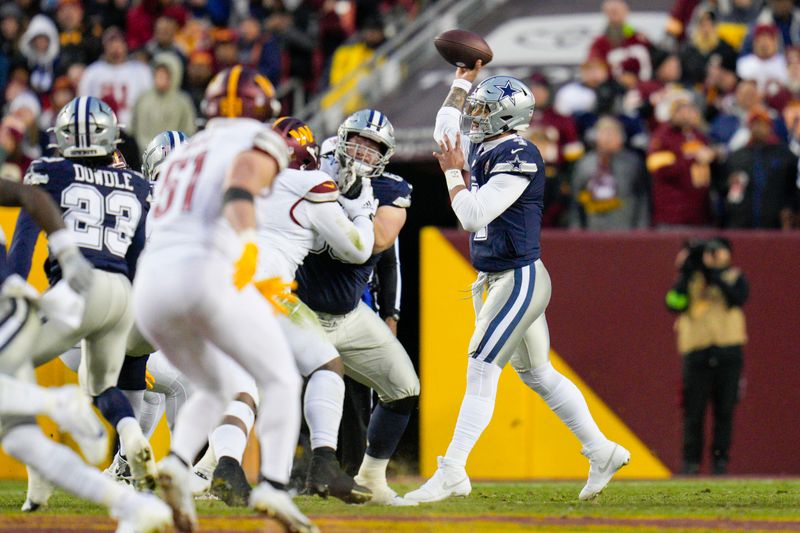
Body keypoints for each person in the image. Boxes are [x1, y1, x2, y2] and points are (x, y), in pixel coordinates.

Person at [406, 62, 628, 504]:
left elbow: (471, 215)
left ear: (506, 117)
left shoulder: (519, 154)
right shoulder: (486, 144)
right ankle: (602, 451)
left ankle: (452, 471)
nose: (474, 115)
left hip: (517, 278)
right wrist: (461, 81)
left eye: (484, 109)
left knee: (481, 368)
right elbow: (445, 125)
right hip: (498, 277)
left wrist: (453, 173)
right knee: (538, 373)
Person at [132, 65, 316, 533]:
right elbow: (241, 181)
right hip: (204, 270)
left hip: (151, 286)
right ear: (263, 111)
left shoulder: (181, 151)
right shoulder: (258, 141)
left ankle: (175, 463)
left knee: (214, 386)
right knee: (280, 381)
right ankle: (273, 486)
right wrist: (249, 248)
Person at [0, 178, 173, 532]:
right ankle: (131, 502)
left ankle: (55, 404)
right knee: (23, 435)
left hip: (66, 295)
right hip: (133, 300)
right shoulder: (137, 186)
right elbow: (27, 195)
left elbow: (29, 204)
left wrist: (27, 276)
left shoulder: (56, 172)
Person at [8, 96, 159, 494]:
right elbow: (138, 255)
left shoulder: (50, 172)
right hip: (123, 295)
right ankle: (132, 439)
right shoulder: (136, 182)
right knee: (100, 385)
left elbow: (24, 240)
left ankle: (40, 460)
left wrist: (13, 288)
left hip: (78, 291)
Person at [295, 109, 420, 507]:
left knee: (403, 388)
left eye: (374, 145)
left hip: (349, 314)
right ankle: (209, 468)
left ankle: (372, 476)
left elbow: (378, 242)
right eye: (359, 140)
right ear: (343, 138)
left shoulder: (392, 188)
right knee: (257, 388)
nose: (364, 150)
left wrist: (351, 205)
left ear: (385, 154)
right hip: (297, 309)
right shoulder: (313, 171)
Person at [665, 237, 748, 475]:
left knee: (725, 410)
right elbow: (673, 304)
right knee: (694, 411)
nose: (712, 256)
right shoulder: (690, 280)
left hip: (728, 352)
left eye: (718, 251)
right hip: (696, 352)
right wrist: (684, 273)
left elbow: (737, 298)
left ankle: (719, 462)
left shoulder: (735, 277)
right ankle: (690, 463)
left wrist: (713, 275)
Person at [722, 108, 799, 229]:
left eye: (762, 124)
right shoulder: (738, 156)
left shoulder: (784, 154)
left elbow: (794, 187)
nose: (758, 128)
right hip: (743, 221)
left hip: (776, 221)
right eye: (754, 124)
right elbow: (724, 185)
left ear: (769, 127)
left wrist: (790, 207)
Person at [646, 90, 713, 227]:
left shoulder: (699, 136)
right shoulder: (662, 137)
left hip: (699, 213)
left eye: (688, 108)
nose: (686, 113)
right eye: (680, 109)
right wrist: (692, 159)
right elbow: (658, 168)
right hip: (672, 214)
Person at [570, 115, 649, 230]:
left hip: (625, 231)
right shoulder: (585, 164)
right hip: (593, 231)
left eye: (612, 133)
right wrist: (576, 230)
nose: (607, 138)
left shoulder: (633, 163)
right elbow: (576, 202)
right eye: (603, 133)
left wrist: (642, 230)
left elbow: (642, 200)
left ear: (621, 137)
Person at [78, 26, 153, 127]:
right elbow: (82, 102)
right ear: (104, 46)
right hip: (100, 128)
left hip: (132, 129)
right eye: (111, 43)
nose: (115, 48)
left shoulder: (141, 71)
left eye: (118, 43)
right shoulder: (92, 72)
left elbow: (150, 102)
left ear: (125, 45)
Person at [130, 52, 197, 151]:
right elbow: (134, 129)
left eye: (165, 74)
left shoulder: (182, 101)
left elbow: (189, 130)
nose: (160, 78)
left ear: (174, 75)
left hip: (174, 156)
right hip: (143, 156)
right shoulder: (143, 99)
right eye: (158, 73)